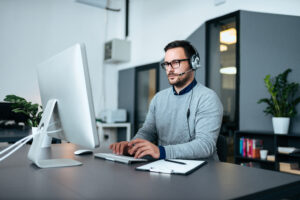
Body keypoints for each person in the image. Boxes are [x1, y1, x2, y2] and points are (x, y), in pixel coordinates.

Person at [110, 40, 223, 160]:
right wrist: (131, 146)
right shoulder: (158, 99)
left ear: (193, 63)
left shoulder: (207, 98)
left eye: (175, 63)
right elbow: (147, 132)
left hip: (202, 171)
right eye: (167, 64)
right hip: (166, 167)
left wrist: (162, 152)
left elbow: (205, 145)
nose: (169, 69)